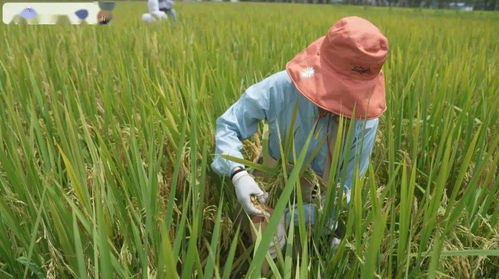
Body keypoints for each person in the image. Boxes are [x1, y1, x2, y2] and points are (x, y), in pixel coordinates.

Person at [211, 16, 388, 252]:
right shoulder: (282, 87)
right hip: (269, 189)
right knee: (262, 255)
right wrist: (238, 175)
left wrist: (292, 217)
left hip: (321, 204)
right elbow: (229, 125)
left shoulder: (364, 119)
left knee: (323, 253)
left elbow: (345, 188)